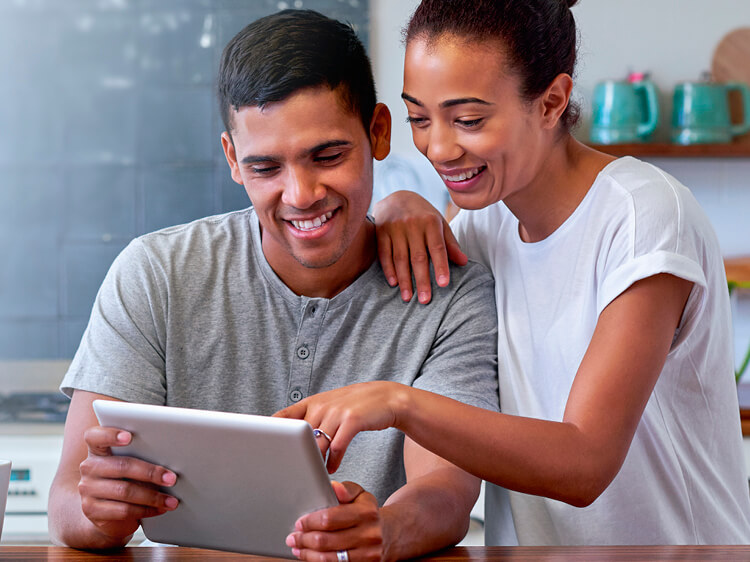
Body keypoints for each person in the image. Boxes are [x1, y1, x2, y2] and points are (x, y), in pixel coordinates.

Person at [276, 0, 750, 546]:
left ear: (552, 102)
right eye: (420, 118)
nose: (439, 147)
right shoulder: (482, 223)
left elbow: (585, 463)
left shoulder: (643, 218)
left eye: (469, 120)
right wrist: (402, 203)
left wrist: (399, 402)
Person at [47, 9, 500, 560]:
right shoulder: (154, 274)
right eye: (266, 168)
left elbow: (446, 493)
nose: (301, 193)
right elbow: (69, 502)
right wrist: (100, 513)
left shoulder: (449, 293)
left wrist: (383, 530)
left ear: (378, 132)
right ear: (233, 159)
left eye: (327, 156)